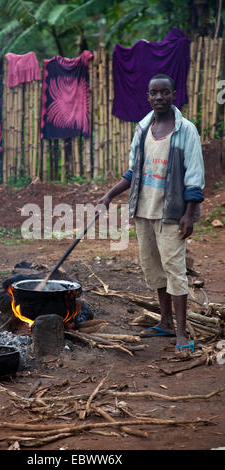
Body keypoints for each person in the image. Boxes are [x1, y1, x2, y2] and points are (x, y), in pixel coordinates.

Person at [100, 74, 205, 357]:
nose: (159, 97)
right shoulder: (144, 127)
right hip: (144, 210)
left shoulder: (186, 131)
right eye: (154, 93)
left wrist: (189, 214)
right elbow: (133, 171)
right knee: (152, 267)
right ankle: (166, 322)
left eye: (164, 92)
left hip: (171, 213)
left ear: (174, 94)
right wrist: (110, 195)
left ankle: (182, 332)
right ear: (148, 97)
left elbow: (195, 177)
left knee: (174, 269)